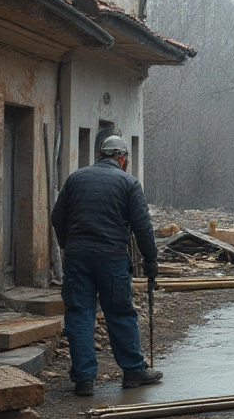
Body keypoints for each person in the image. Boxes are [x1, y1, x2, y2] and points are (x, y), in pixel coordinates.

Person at [51, 135, 162, 396]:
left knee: (79, 314)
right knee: (120, 312)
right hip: (112, 257)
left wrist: (70, 245)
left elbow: (57, 217)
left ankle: (84, 380)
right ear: (122, 159)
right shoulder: (129, 183)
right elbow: (142, 227)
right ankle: (133, 372)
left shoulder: (75, 179)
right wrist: (151, 260)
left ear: (100, 155)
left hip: (78, 257)